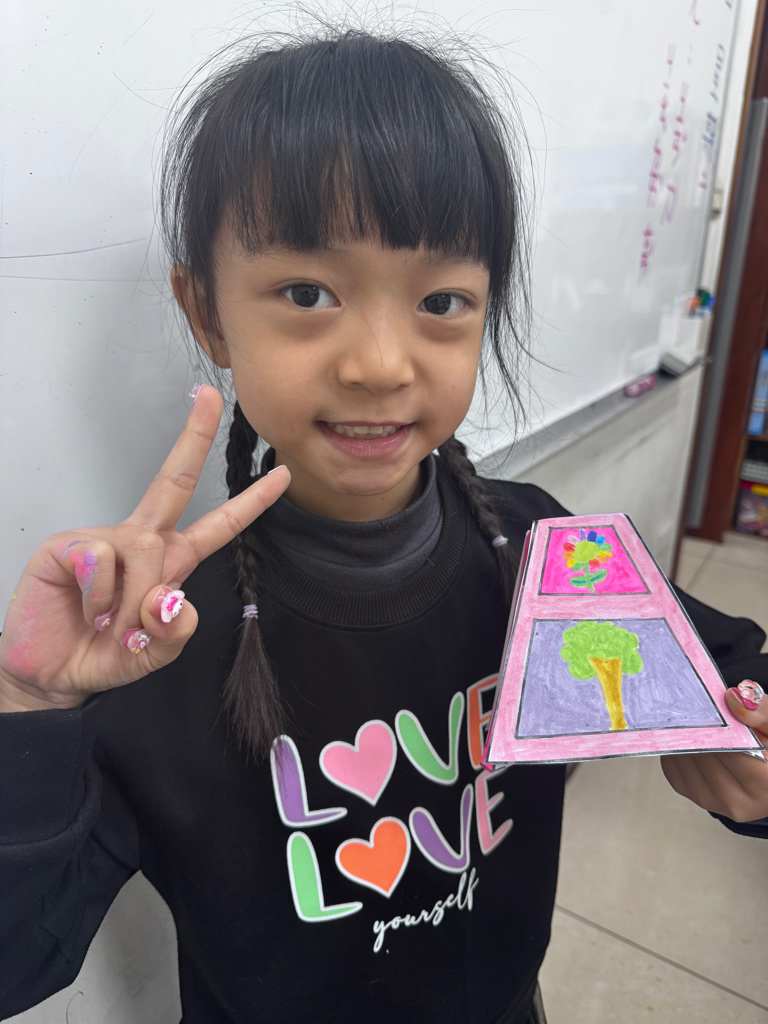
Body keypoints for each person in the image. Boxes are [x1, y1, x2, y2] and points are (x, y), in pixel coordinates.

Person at [0, 28, 766, 1024]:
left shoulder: (543, 554)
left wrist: (745, 750)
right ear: (209, 313)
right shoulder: (152, 640)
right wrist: (28, 706)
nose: (379, 364)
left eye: (441, 300)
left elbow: (734, 674)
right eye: (306, 294)